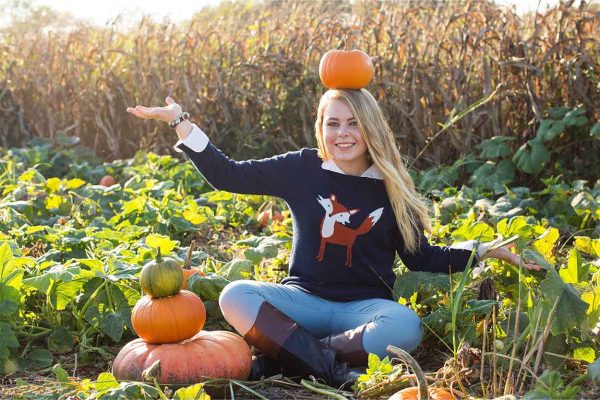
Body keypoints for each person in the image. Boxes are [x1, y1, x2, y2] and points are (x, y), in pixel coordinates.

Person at [127, 89, 540, 389]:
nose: (343, 134)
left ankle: (289, 360)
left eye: (353, 123)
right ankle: (330, 367)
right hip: (302, 300)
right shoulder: (302, 168)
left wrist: (485, 251)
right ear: (321, 127)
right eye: (333, 123)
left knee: (406, 325)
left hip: (361, 310)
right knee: (234, 294)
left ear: (370, 128)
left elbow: (419, 257)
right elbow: (228, 175)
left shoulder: (393, 186)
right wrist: (181, 121)